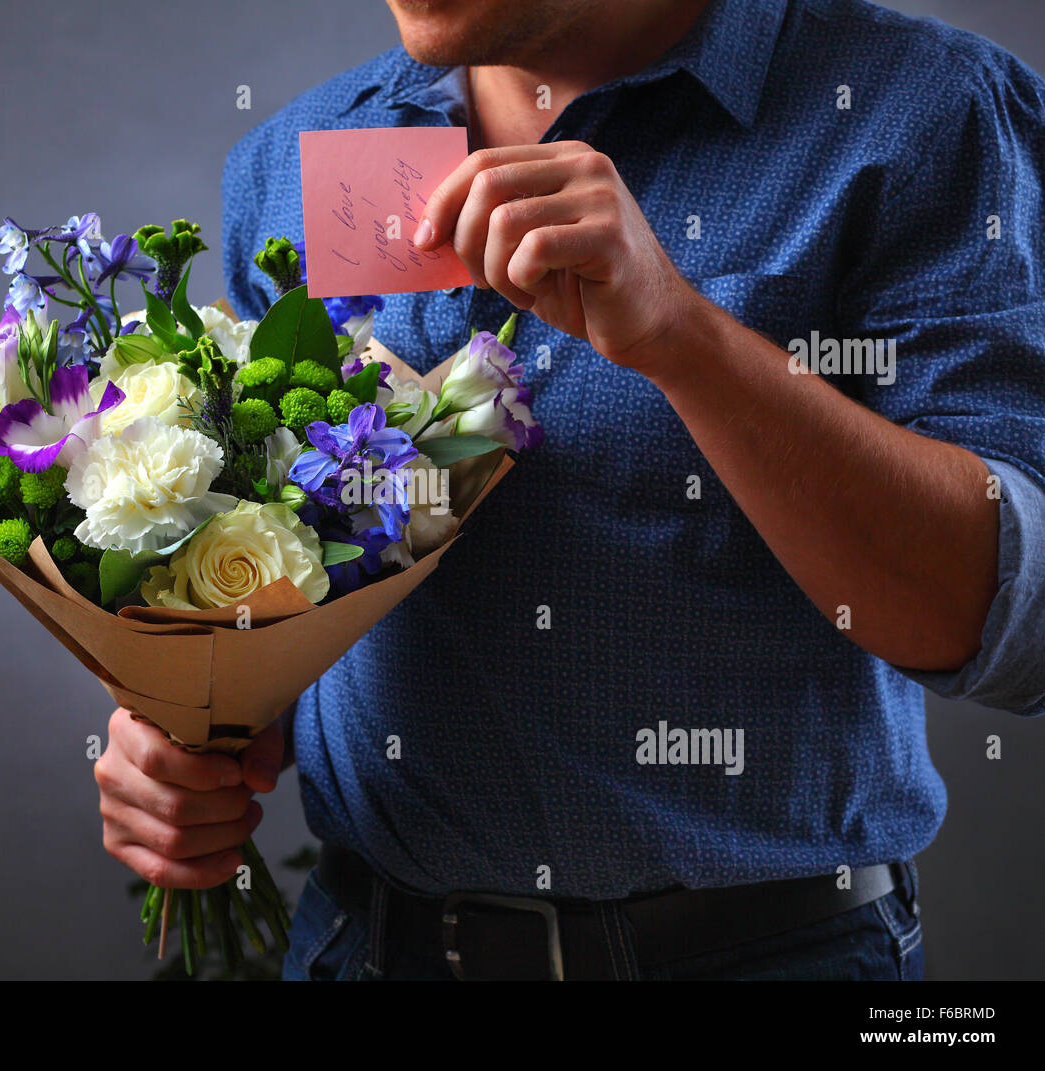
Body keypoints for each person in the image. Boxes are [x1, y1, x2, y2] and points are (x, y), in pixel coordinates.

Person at [94, 0, 1045, 980]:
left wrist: (685, 339)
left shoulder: (925, 115)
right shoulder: (298, 154)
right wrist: (201, 740)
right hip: (363, 949)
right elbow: (303, 586)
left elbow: (1009, 628)